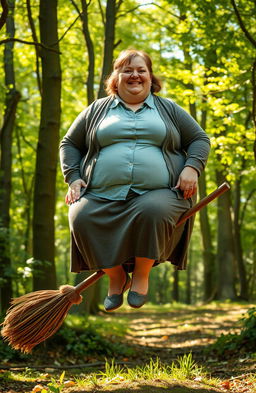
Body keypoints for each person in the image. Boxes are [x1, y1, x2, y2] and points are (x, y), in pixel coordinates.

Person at [59, 49, 210, 312]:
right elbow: (69, 143)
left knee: (152, 210)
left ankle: (141, 275)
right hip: (101, 193)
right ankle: (117, 278)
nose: (135, 75)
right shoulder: (96, 110)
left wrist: (192, 168)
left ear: (151, 77)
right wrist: (73, 177)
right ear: (116, 78)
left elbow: (200, 139)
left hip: (161, 192)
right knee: (80, 216)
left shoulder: (169, 109)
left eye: (141, 70)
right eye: (127, 70)